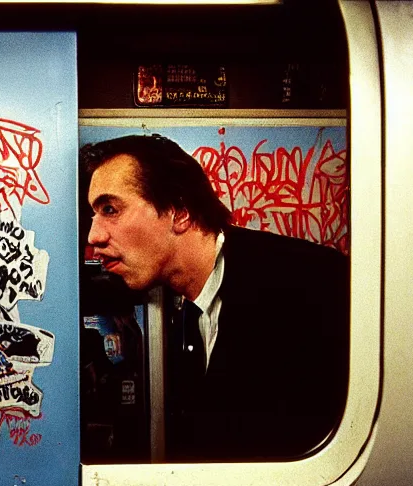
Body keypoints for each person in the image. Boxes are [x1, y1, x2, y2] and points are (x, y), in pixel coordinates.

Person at [81, 134, 349, 462]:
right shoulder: (190, 313)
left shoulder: (313, 283)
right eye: (94, 215)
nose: (94, 236)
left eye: (110, 209)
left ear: (180, 212)